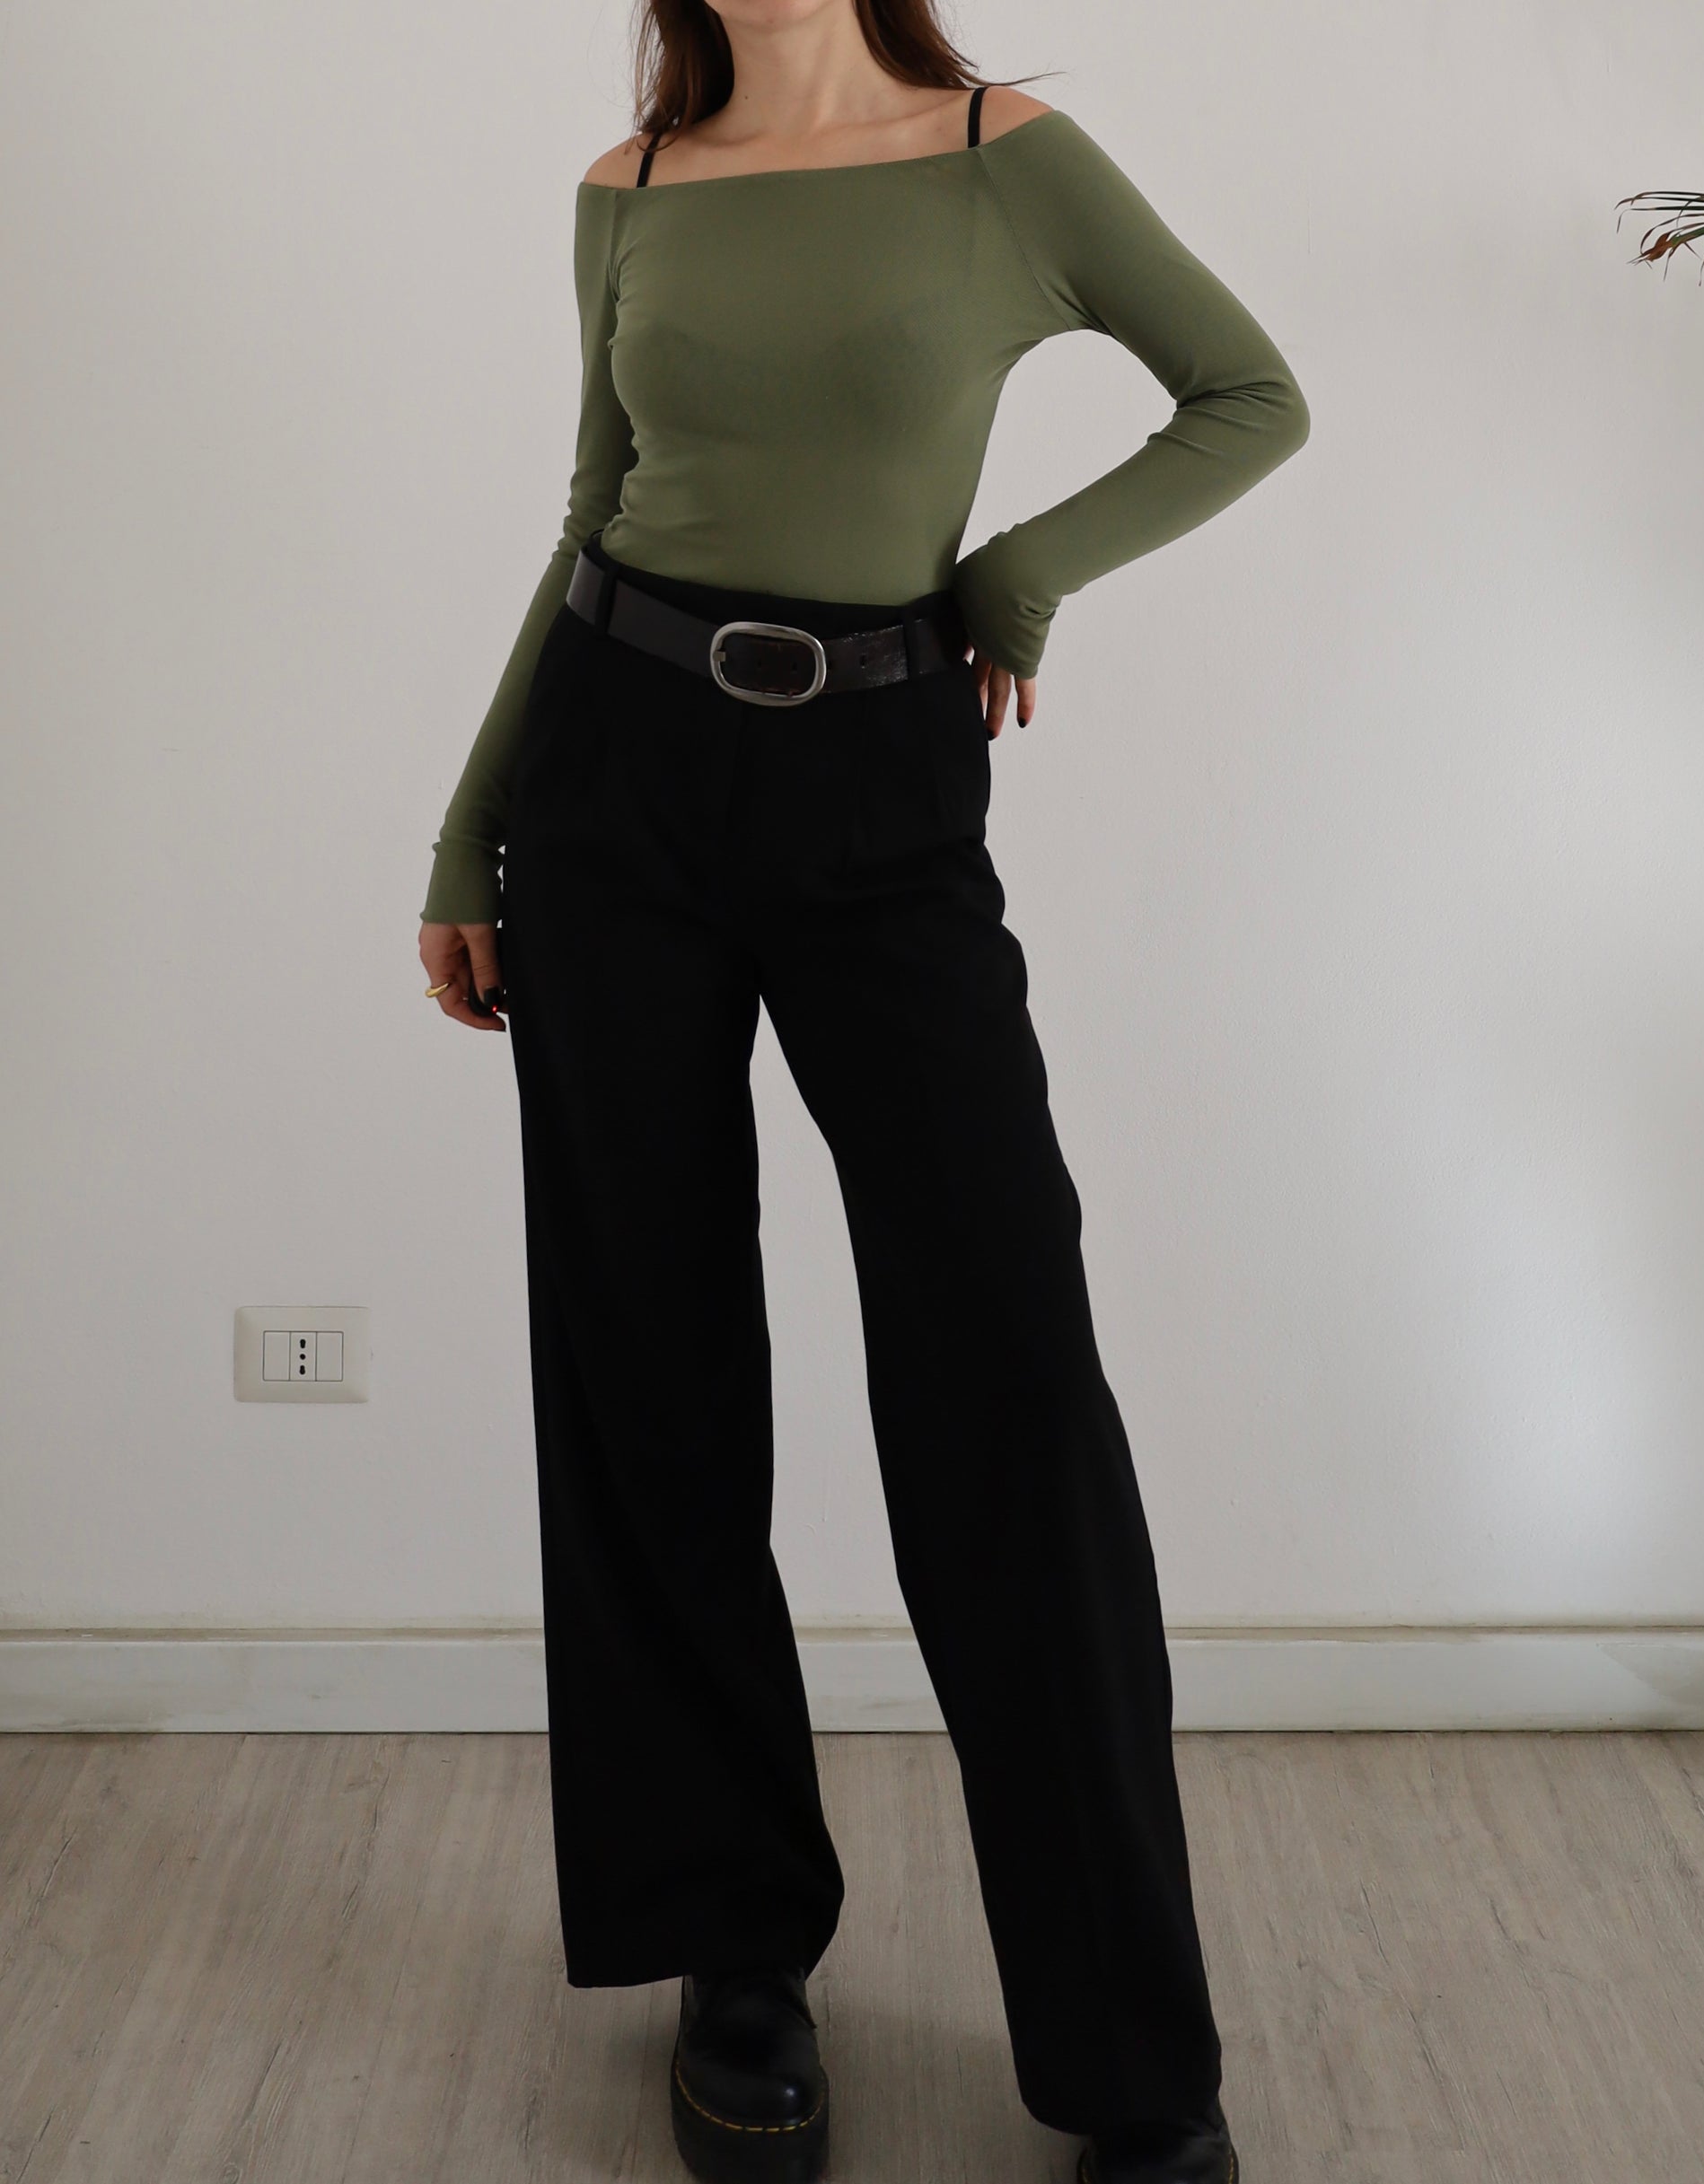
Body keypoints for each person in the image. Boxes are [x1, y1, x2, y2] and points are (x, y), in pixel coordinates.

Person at [417, 4, 1307, 2179]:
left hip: (883, 787)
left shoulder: (1005, 155)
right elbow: (592, 509)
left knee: (1008, 1373)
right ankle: (731, 1946)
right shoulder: (630, 188)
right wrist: (468, 831)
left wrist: (1023, 572)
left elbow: (1247, 394)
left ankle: (1129, 2052)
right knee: (648, 1371)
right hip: (614, 787)